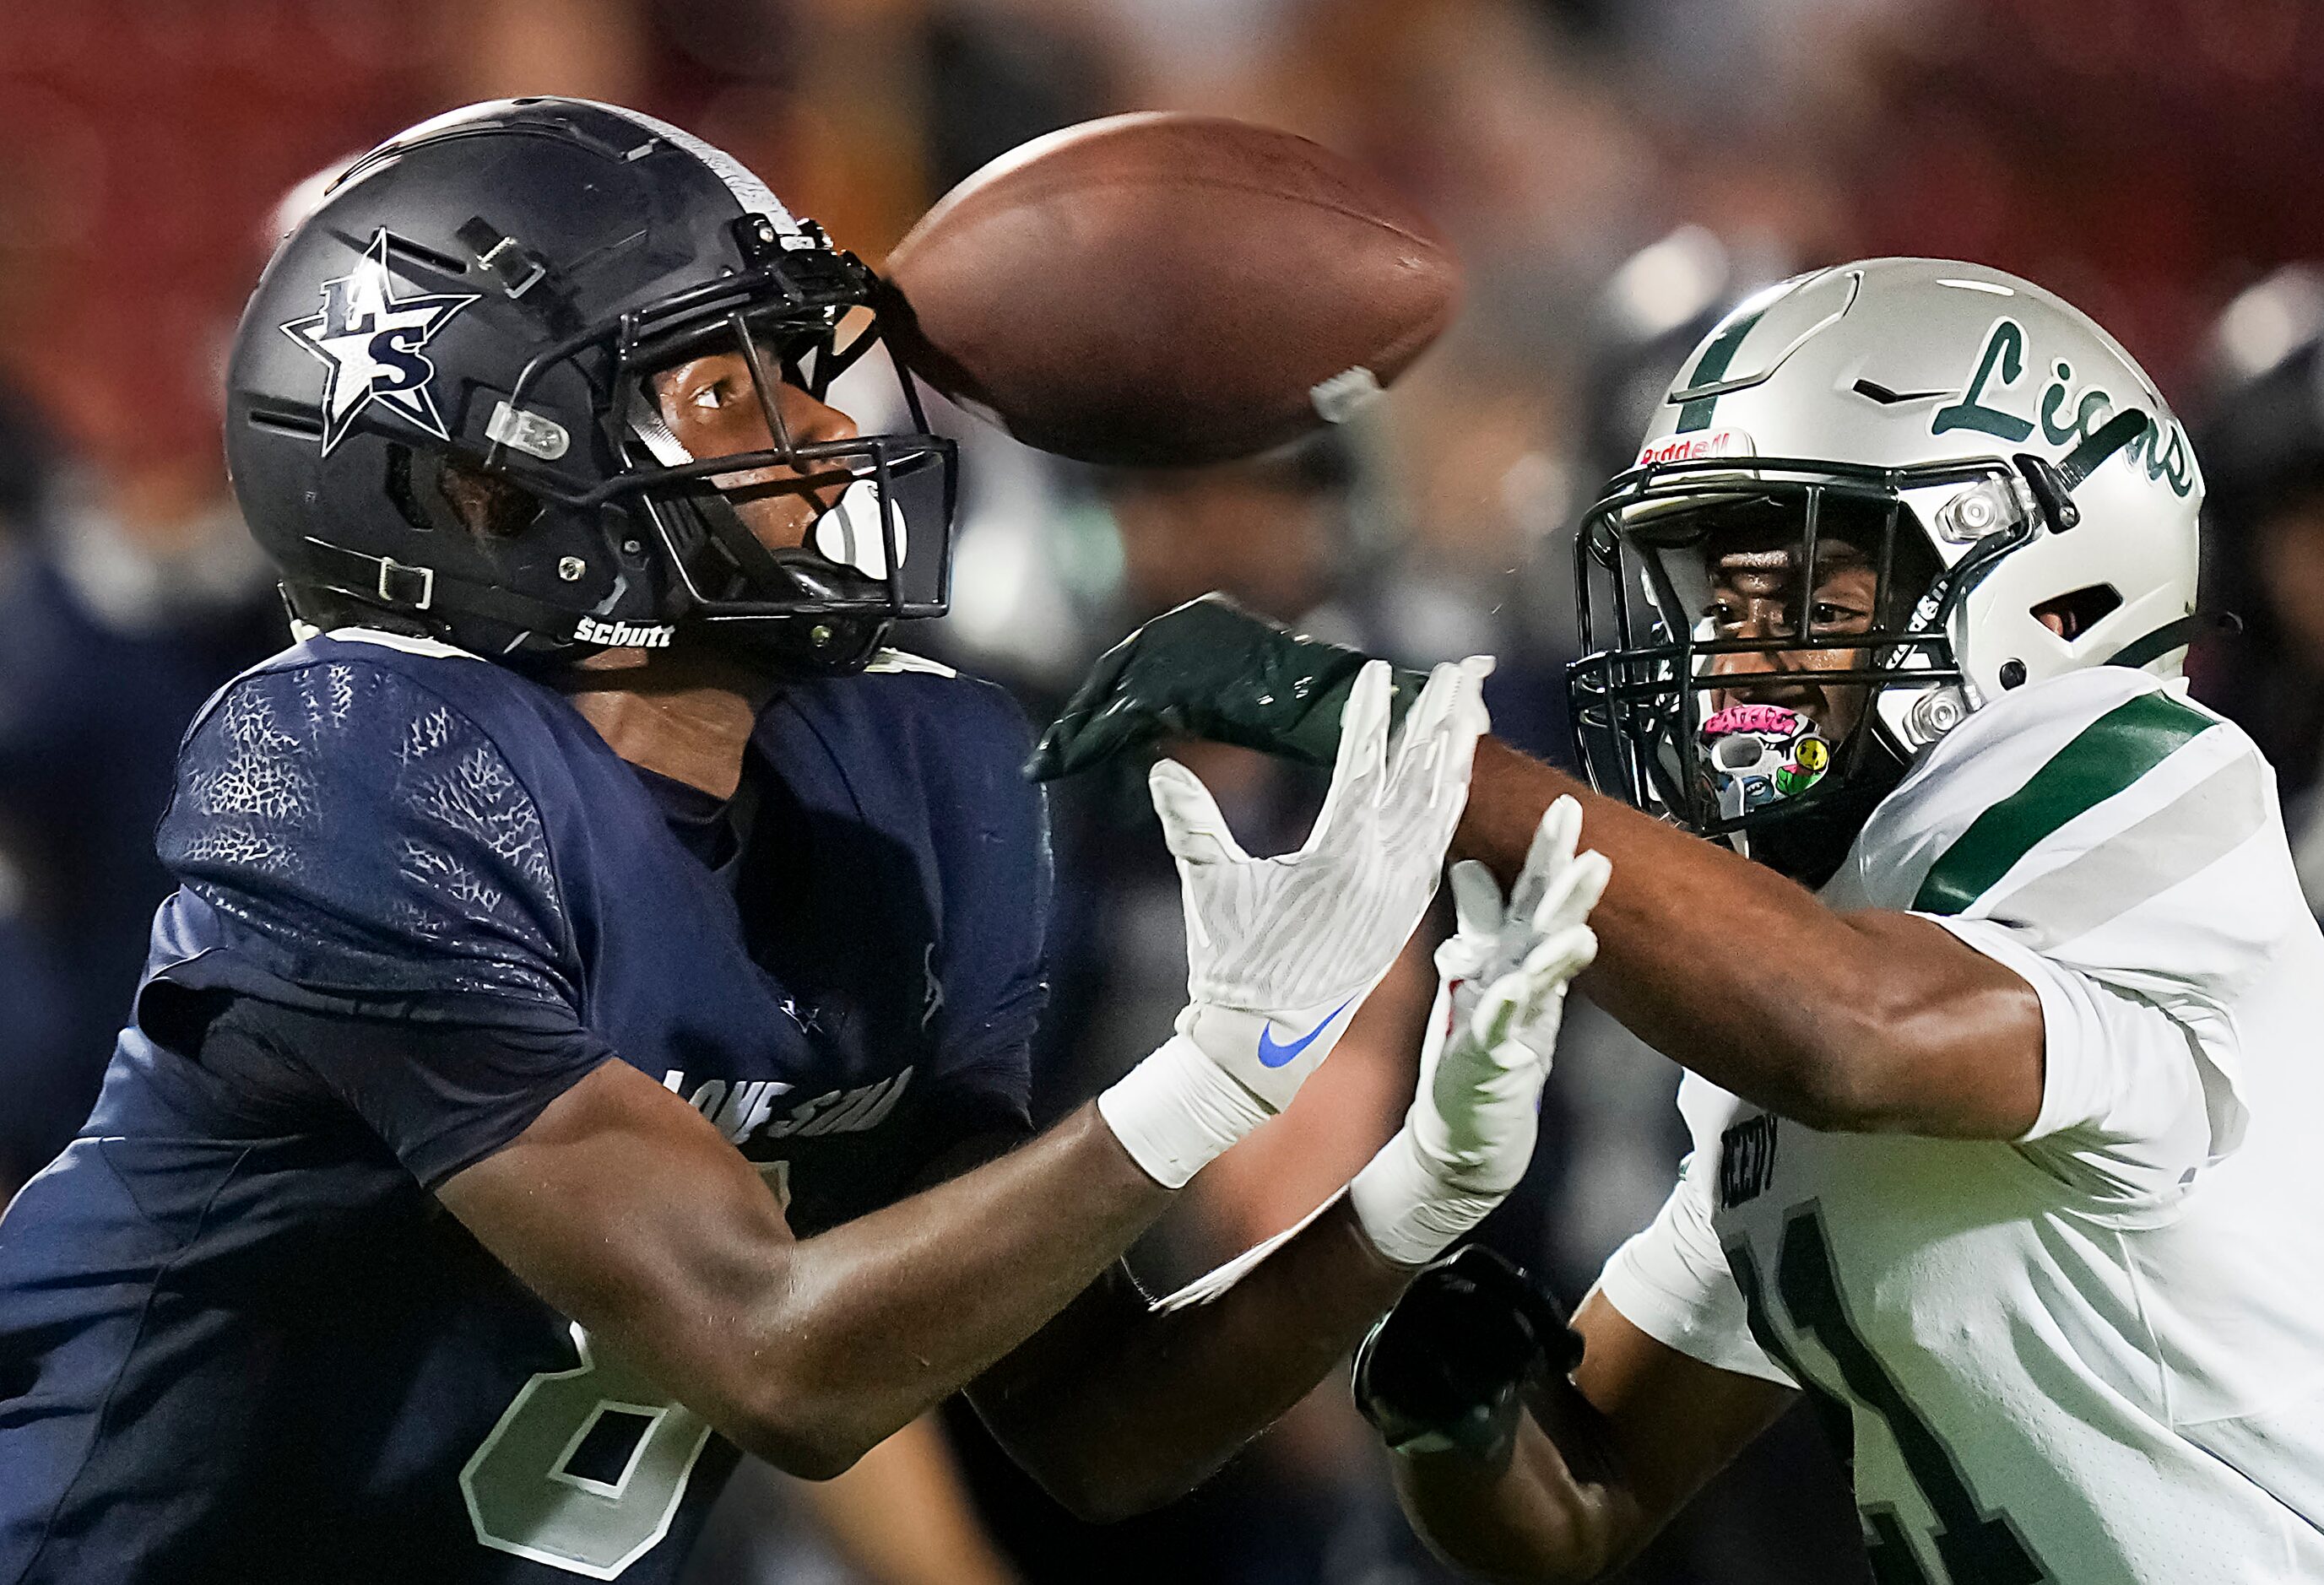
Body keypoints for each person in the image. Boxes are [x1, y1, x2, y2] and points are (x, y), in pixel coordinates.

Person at [0, 99, 1610, 1582]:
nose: (827, 442)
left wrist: (1411, 1192)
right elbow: (777, 1354)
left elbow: (1096, 1422)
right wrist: (1211, 1076)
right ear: (491, 490)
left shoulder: (910, 769)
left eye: (800, 371)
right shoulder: (373, 766)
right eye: (724, 390)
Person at [1032, 257, 2324, 1582]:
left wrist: (1388, 737)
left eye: (1810, 601)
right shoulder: (1808, 972)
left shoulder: (2155, 789)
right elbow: (1582, 1508)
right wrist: (1450, 1401)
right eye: (1724, 601)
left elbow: (1861, 1030)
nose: (1729, 657)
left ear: (2055, 600)